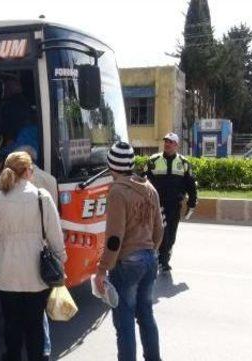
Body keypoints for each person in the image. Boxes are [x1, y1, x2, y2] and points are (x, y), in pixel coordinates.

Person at [0, 151, 67, 361]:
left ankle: (12, 356)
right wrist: (61, 260)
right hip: (36, 272)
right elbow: (55, 235)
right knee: (35, 325)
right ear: (28, 171)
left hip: (5, 272)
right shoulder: (42, 197)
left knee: (11, 324)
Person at [95, 141, 164, 361]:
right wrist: (151, 251)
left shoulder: (117, 191)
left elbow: (115, 238)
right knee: (146, 315)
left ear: (111, 165)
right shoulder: (149, 187)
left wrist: (102, 269)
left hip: (127, 263)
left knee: (124, 322)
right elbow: (159, 229)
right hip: (149, 259)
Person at [17, 145, 57, 358]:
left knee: (14, 308)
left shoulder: (3, 189)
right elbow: (54, 224)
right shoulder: (49, 180)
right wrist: (60, 258)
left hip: (13, 257)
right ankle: (44, 348)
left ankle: (18, 346)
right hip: (42, 252)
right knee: (38, 306)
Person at [145, 132, 198, 272]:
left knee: (171, 234)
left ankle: (164, 256)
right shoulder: (153, 160)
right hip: (156, 204)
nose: (167, 144)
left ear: (176, 145)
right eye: (166, 142)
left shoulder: (184, 163)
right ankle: (161, 260)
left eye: (171, 142)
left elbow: (191, 185)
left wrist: (192, 204)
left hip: (175, 205)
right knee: (160, 231)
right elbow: (143, 182)